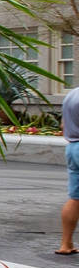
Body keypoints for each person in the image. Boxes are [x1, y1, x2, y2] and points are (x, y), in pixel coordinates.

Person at [61, 85, 79, 255]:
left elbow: (63, 125)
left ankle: (66, 244)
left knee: (75, 198)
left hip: (73, 147)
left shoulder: (71, 94)